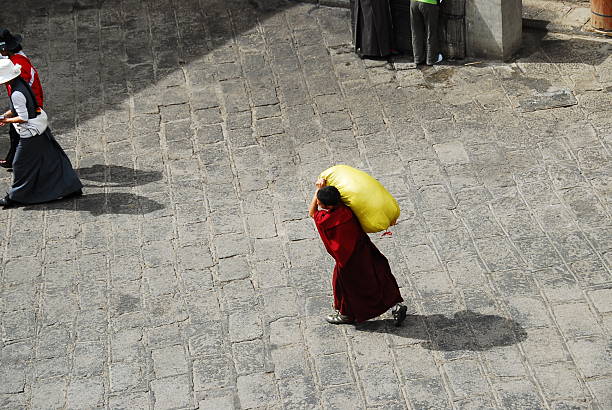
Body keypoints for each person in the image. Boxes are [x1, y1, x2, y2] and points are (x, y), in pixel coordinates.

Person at [309, 178, 408, 325]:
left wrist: (317, 190)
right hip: (364, 250)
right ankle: (396, 306)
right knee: (379, 276)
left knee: (346, 287)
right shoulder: (348, 210)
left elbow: (312, 213)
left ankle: (346, 315)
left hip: (346, 260)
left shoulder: (325, 219)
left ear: (327, 206)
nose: (318, 203)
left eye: (320, 202)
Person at [0, 59, 82, 207]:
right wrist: (5, 115)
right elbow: (18, 109)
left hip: (30, 134)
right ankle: (71, 187)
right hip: (40, 128)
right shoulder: (21, 83)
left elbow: (23, 118)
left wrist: (6, 121)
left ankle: (15, 197)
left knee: (20, 164)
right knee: (53, 158)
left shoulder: (15, 93)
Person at [0, 28, 44, 169]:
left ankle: (19, 162)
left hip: (29, 106)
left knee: (22, 137)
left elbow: (23, 112)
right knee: (15, 134)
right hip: (25, 103)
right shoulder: (15, 59)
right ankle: (13, 160)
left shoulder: (19, 68)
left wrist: (6, 118)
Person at [410, 0, 443, 66]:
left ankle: (418, 58)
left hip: (414, 3)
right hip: (429, 3)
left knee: (416, 32)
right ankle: (431, 59)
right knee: (431, 32)